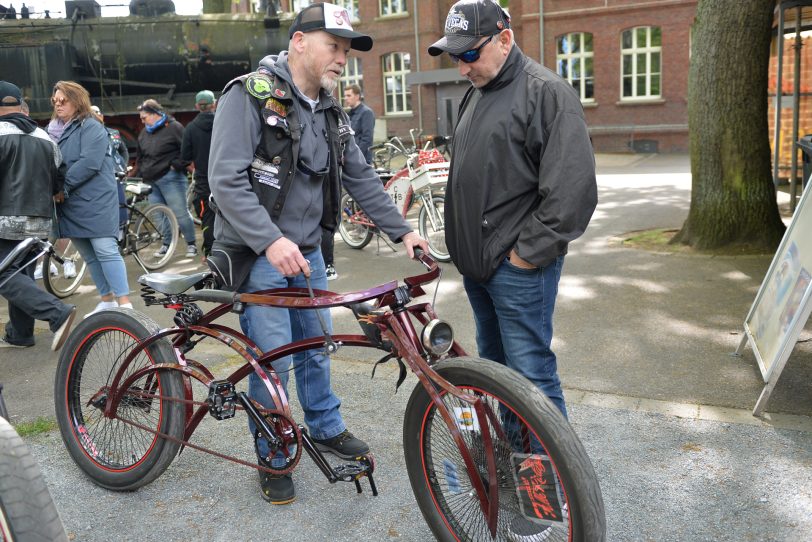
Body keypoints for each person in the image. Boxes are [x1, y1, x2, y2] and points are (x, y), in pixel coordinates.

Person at [208, 2, 427, 505]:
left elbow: (360, 177)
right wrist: (271, 240)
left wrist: (402, 232)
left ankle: (325, 427)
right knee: (272, 359)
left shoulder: (332, 111)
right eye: (335, 47)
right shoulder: (248, 96)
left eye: (348, 51)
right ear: (299, 42)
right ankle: (275, 452)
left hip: (307, 252)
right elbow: (225, 180)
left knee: (316, 347)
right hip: (260, 253)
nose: (342, 59)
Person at [428, 1, 597, 417]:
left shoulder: (546, 93)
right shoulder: (477, 93)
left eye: (470, 53)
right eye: (455, 56)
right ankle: (514, 457)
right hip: (480, 268)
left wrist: (524, 257)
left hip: (517, 269)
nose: (463, 67)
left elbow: (572, 191)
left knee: (531, 376)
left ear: (505, 39)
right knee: (498, 374)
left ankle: (545, 476)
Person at [0, 80, 77, 350]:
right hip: (42, 221)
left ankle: (57, 313)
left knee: (4, 275)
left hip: (5, 221)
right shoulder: (45, 137)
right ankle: (20, 334)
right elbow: (59, 179)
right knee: (19, 272)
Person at [48, 80, 133, 315]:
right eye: (54, 100)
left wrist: (60, 189)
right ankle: (107, 299)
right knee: (89, 254)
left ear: (77, 100)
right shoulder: (53, 129)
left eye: (63, 100)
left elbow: (90, 163)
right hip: (71, 202)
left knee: (105, 250)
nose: (58, 104)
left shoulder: (91, 126)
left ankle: (125, 304)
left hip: (94, 201)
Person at [134, 98, 198, 257]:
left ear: (155, 114)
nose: (142, 121)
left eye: (144, 117)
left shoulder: (174, 127)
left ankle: (191, 244)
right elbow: (140, 155)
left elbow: (187, 150)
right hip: (151, 179)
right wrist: (142, 171)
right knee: (159, 215)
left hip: (171, 177)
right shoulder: (144, 133)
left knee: (180, 212)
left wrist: (175, 165)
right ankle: (166, 244)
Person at [181, 90, 216, 261]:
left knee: (207, 218)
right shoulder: (223, 122)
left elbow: (185, 158)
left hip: (204, 183)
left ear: (197, 106)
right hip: (228, 180)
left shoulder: (190, 128)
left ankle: (210, 254)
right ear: (214, 104)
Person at [91, 105, 130, 234]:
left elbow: (123, 150)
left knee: (120, 205)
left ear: (101, 116)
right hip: (101, 176)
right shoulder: (88, 134)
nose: (96, 116)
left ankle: (122, 233)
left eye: (97, 113)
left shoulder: (113, 133)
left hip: (117, 174)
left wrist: (123, 165)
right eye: (92, 114)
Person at [343, 84, 374, 164]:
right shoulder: (348, 114)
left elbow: (367, 139)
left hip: (361, 160)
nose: (346, 98)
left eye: (349, 95)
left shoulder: (366, 113)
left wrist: (356, 156)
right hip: (350, 158)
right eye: (345, 96)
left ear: (357, 96)